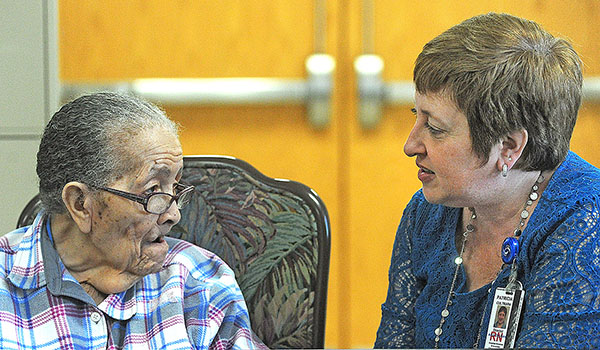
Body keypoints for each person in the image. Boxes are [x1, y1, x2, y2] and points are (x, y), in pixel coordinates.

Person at [375, 13, 600, 349]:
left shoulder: (585, 223)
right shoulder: (427, 212)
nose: (410, 145)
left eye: (434, 128)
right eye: (415, 116)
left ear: (508, 147)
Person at [0, 93, 267, 349]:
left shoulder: (200, 283)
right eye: (152, 191)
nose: (174, 215)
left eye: (175, 187)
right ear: (81, 204)